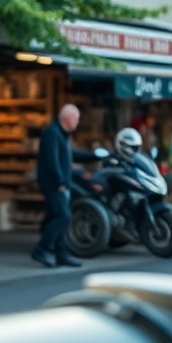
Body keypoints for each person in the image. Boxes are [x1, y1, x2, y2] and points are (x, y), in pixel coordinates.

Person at [31, 104, 102, 269]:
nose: (77, 122)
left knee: (54, 217)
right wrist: (60, 182)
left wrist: (95, 156)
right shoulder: (52, 133)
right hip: (54, 185)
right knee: (63, 216)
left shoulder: (63, 135)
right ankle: (40, 249)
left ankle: (61, 254)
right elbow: (51, 161)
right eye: (76, 118)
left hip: (61, 184)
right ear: (67, 118)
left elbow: (72, 155)